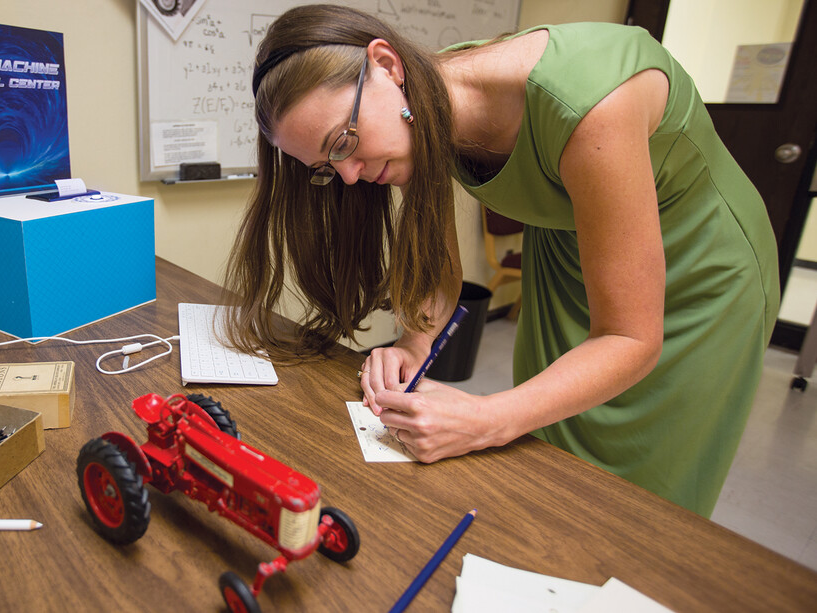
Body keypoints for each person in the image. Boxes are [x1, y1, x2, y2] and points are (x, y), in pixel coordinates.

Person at [221, 4, 778, 518]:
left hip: (696, 274)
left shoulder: (588, 103)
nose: (348, 176)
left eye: (343, 141)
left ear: (386, 64)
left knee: (638, 501)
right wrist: (415, 342)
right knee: (549, 467)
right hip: (567, 257)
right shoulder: (422, 108)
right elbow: (435, 261)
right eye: (325, 166)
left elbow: (631, 338)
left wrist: (488, 418)